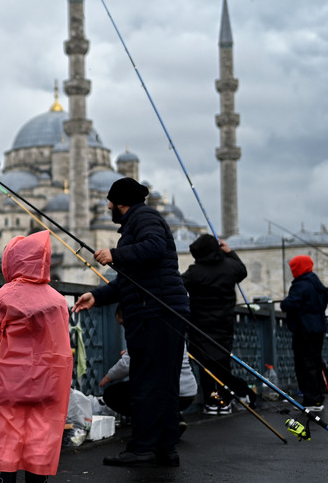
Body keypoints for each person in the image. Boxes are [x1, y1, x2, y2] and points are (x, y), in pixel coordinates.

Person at [72, 177, 190, 468]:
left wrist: (115, 254)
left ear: (121, 202)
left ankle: (142, 449)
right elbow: (130, 280)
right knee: (163, 382)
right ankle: (165, 449)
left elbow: (155, 246)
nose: (108, 207)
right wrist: (97, 296)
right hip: (162, 310)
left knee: (147, 382)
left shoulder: (144, 217)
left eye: (111, 202)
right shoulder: (140, 220)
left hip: (155, 312)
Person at [0, 230, 73, 483]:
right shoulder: (58, 301)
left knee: (5, 445)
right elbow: (63, 350)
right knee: (40, 443)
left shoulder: (4, 296)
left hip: (7, 387)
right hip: (48, 387)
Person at [181, 234, 253, 413]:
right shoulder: (230, 267)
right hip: (224, 324)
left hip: (200, 326)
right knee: (222, 363)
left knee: (205, 366)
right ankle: (224, 401)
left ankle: (212, 402)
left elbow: (179, 285)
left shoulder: (195, 271)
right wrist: (229, 252)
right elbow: (242, 271)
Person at [101, 307, 198, 437]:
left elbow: (126, 364)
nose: (124, 327)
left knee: (112, 394)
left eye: (123, 323)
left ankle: (150, 426)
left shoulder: (142, 330)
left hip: (167, 394)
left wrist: (109, 376)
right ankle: (173, 419)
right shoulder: (168, 326)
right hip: (188, 392)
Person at [279, 255, 328, 411]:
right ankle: (318, 398)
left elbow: (290, 304)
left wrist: (284, 303)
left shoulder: (301, 285)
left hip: (304, 329)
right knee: (315, 363)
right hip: (318, 328)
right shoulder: (317, 284)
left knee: (304, 365)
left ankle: (311, 400)